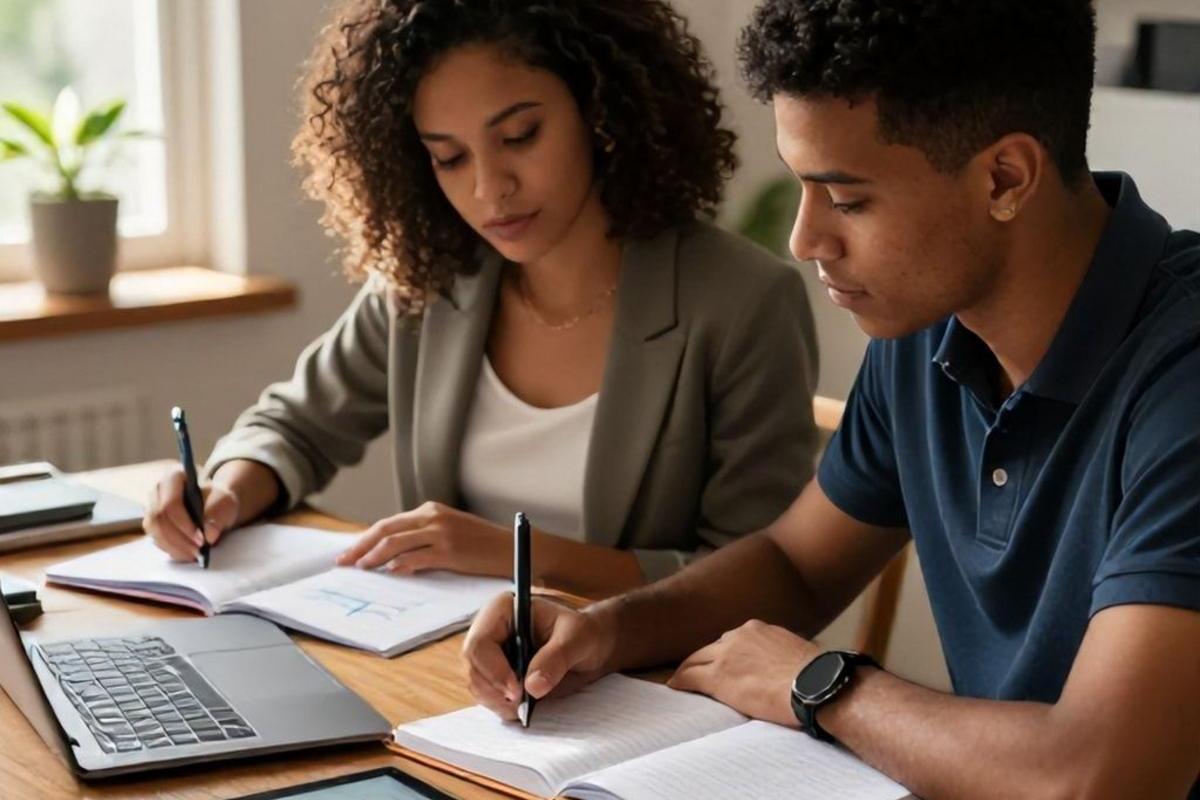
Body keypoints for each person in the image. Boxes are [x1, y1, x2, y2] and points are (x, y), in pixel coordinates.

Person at [462, 0, 1200, 796]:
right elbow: (795, 565)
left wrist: (825, 686)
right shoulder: (931, 327)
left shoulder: (1182, 373)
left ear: (1005, 178)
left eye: (846, 199)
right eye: (801, 188)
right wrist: (603, 629)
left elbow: (1103, 774)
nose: (804, 240)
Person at [142, 0, 820, 598]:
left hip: (657, 692)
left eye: (520, 136)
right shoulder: (431, 282)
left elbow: (753, 577)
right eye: (449, 157)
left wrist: (514, 558)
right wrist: (227, 488)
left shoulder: (742, 303)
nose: (489, 190)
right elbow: (294, 426)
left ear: (601, 109)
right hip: (457, 680)